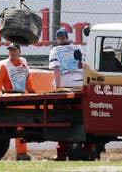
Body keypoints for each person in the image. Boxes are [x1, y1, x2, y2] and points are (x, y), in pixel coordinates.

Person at [0, 42, 34, 161]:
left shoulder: (23, 63)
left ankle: (22, 153)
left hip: (21, 97)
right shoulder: (4, 65)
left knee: (22, 125)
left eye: (14, 50)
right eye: (10, 50)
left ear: (19, 52)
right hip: (9, 98)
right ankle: (21, 153)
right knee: (18, 125)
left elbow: (28, 81)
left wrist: (32, 92)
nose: (11, 52)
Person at [49, 28, 83, 161]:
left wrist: (58, 88)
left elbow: (57, 69)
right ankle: (86, 149)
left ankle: (62, 153)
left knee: (62, 120)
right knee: (80, 118)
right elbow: (83, 66)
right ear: (67, 37)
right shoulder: (78, 47)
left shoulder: (55, 51)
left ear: (57, 40)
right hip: (79, 86)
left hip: (64, 87)